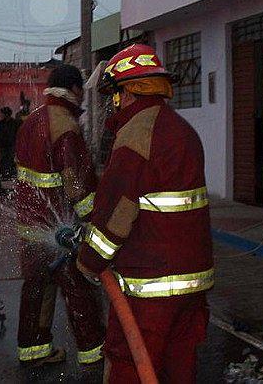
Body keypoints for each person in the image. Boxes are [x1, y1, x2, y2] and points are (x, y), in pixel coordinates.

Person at [76, 44, 214, 383]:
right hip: (194, 283)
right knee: (179, 365)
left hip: (149, 286)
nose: (113, 103)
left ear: (128, 92)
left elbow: (114, 217)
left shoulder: (136, 135)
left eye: (115, 94)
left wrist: (88, 262)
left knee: (130, 365)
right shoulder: (183, 130)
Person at [12, 64, 105, 368]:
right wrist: (92, 220)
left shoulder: (31, 121)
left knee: (37, 286)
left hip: (31, 225)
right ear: (75, 89)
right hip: (61, 228)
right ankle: (94, 351)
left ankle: (33, 349)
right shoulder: (64, 123)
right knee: (77, 288)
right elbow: (77, 185)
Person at [0, 106, 20, 179]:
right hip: (3, 145)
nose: (1, 115)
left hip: (11, 145)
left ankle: (10, 173)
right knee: (2, 159)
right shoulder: (1, 123)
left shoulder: (14, 122)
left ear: (6, 114)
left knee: (10, 159)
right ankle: (3, 173)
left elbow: (17, 133)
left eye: (2, 114)